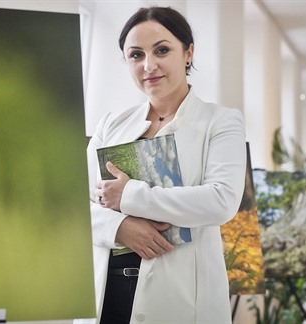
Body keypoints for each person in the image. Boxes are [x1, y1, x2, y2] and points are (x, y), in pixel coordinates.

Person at [86, 6, 247, 323]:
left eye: (162, 50)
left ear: (188, 53)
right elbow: (69, 206)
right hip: (107, 296)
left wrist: (129, 196)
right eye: (135, 55)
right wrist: (120, 227)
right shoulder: (110, 125)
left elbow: (220, 201)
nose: (149, 65)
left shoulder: (221, 122)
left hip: (181, 300)